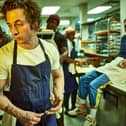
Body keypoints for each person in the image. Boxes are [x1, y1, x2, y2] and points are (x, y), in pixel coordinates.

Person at [0, 0, 64, 126]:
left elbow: (58, 75)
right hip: (18, 118)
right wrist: (19, 114)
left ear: (35, 24)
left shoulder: (49, 49)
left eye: (19, 24)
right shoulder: (4, 54)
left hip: (47, 115)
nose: (13, 32)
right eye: (9, 25)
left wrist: (59, 91)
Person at [77, 19, 126, 126]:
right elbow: (121, 55)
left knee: (93, 85)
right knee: (84, 79)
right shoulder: (124, 38)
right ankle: (82, 107)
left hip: (123, 70)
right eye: (125, 26)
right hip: (116, 63)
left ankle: (92, 117)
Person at [46, 14, 67, 126]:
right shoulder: (40, 35)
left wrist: (58, 61)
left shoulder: (60, 37)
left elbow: (65, 52)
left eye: (55, 23)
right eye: (50, 21)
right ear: (47, 22)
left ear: (57, 25)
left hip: (56, 70)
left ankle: (59, 122)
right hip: (43, 70)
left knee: (58, 97)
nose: (52, 24)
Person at [62, 27, 83, 116]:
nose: (74, 36)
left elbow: (71, 56)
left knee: (74, 88)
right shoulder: (67, 43)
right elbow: (66, 58)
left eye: (74, 34)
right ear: (67, 35)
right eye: (72, 34)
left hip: (71, 69)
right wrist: (76, 61)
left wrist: (75, 61)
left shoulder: (71, 43)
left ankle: (73, 107)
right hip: (66, 70)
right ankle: (66, 109)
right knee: (68, 90)